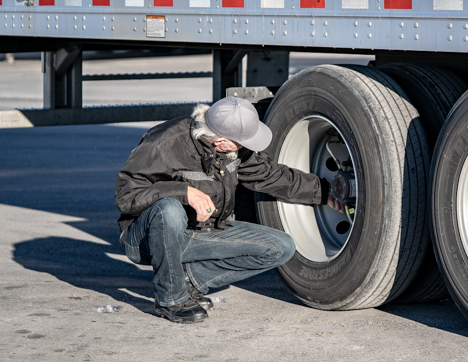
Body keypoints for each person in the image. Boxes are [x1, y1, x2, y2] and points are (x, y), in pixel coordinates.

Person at [114, 97, 343, 324]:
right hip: (147, 237)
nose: (247, 146)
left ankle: (188, 281)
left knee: (281, 247)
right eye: (243, 142)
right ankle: (171, 299)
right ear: (221, 141)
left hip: (202, 231)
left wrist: (322, 191)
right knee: (169, 209)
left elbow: (272, 175)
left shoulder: (235, 151)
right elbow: (126, 195)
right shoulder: (165, 143)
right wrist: (184, 192)